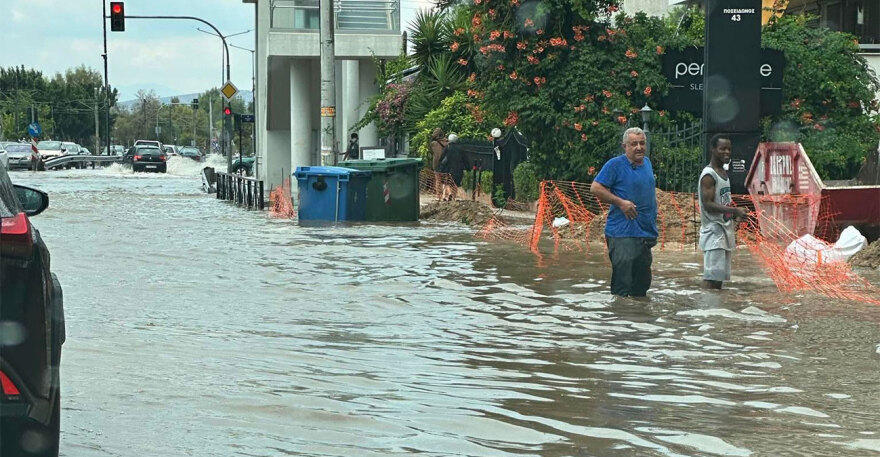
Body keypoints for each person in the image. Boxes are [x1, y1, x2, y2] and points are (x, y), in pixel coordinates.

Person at [590, 127, 658, 297]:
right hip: (622, 234)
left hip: (644, 233)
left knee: (641, 287)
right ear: (624, 146)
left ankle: (638, 321)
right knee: (622, 288)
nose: (639, 147)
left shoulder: (647, 163)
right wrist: (620, 203)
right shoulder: (615, 164)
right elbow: (595, 188)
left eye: (642, 143)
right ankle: (618, 321)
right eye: (633, 144)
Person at [699, 134, 748, 290]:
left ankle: (716, 311)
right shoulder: (709, 175)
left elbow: (723, 200)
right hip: (713, 232)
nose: (727, 152)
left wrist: (735, 216)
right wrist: (734, 211)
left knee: (718, 278)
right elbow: (708, 204)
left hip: (724, 231)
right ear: (713, 150)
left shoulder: (724, 174)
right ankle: (706, 308)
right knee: (711, 277)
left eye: (729, 149)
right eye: (722, 149)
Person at [430, 128, 451, 200]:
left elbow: (436, 155)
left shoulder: (434, 143)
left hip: (437, 165)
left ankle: (439, 196)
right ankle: (447, 195)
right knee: (446, 181)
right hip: (446, 164)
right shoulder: (447, 143)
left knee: (438, 181)